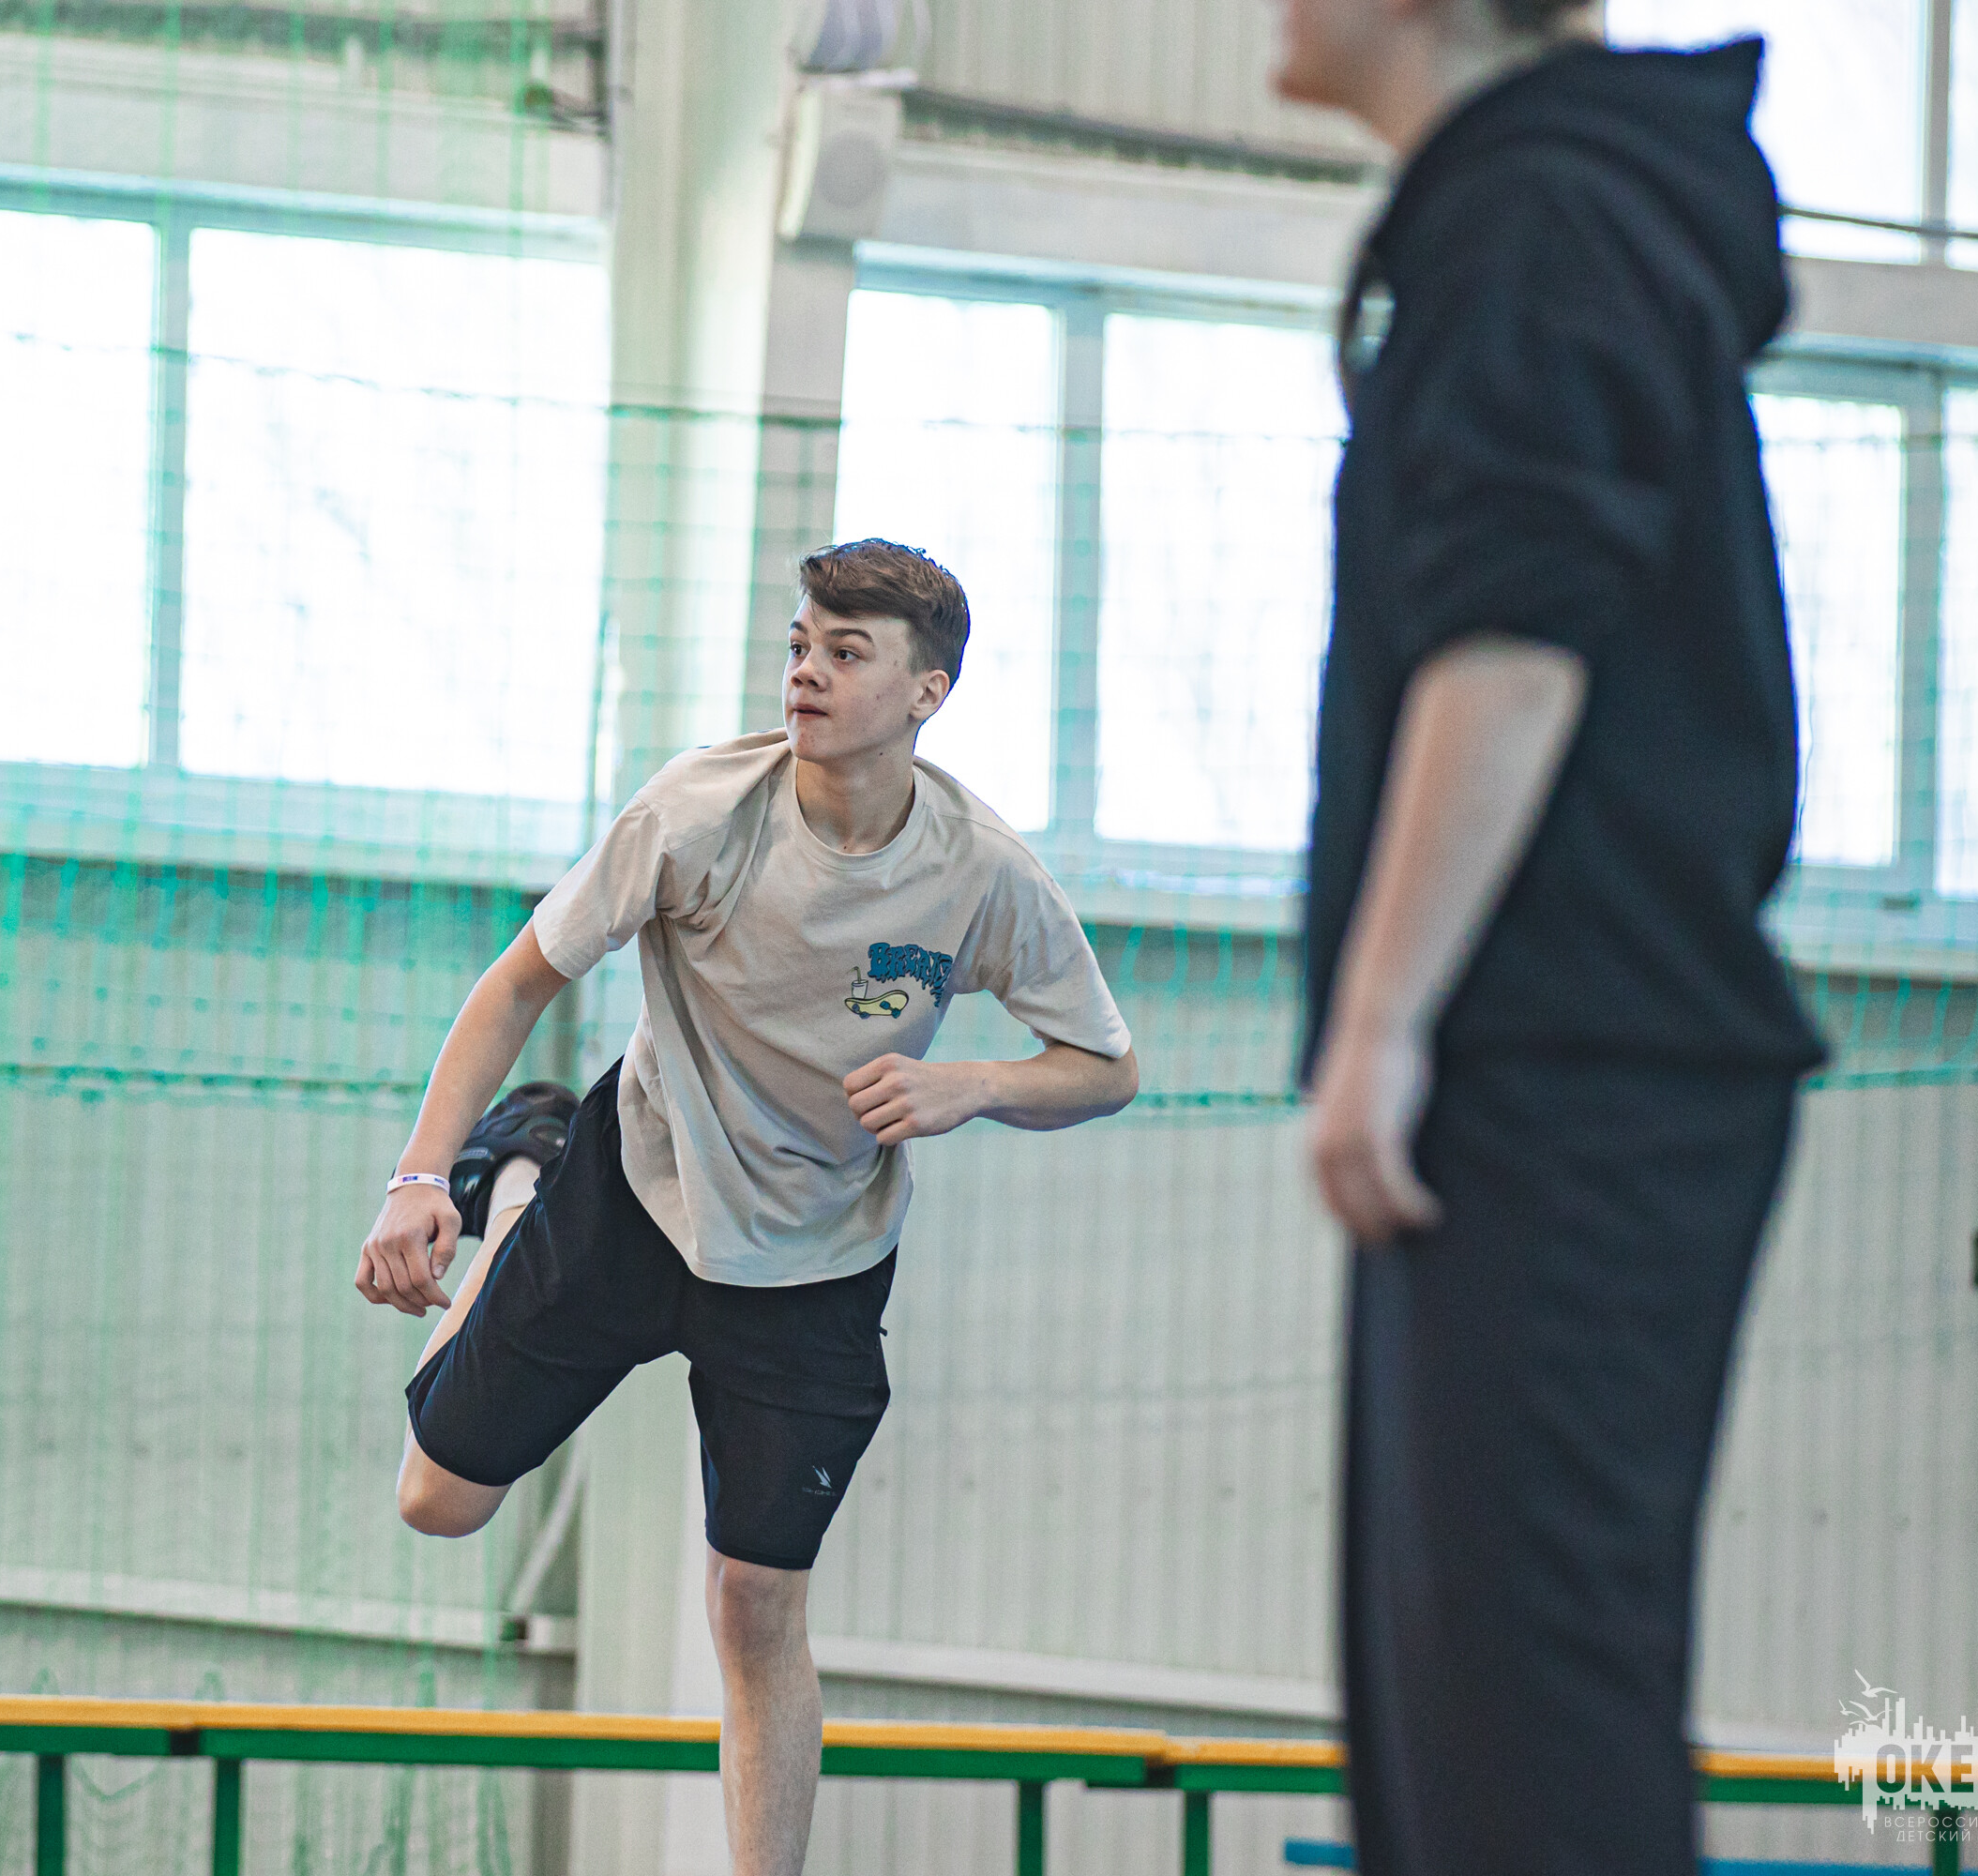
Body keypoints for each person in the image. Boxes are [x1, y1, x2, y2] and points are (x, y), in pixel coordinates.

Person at [353, 538, 1138, 1875]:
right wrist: (422, 1180)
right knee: (436, 1501)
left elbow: (1105, 1067)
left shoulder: (980, 870)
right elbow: (517, 982)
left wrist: (975, 1088)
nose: (807, 673)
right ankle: (521, 1182)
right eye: (799, 644)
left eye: (847, 652)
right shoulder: (700, 814)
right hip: (635, 1193)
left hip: (815, 1260)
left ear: (928, 691)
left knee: (756, 1605)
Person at [1272, 3, 1830, 1873]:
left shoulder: (1545, 210)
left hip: (1574, 1077)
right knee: (1450, 1739)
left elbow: (1517, 639)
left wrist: (1381, 1022)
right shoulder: (1521, 206)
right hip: (1539, 1076)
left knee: (1525, 1733)